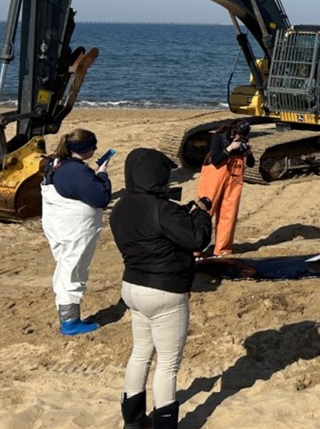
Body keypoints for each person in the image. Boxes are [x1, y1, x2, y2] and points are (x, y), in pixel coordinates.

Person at [110, 148, 212, 429]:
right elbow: (196, 240)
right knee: (167, 364)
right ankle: (165, 424)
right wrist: (202, 214)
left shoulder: (121, 207)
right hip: (164, 291)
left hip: (133, 286)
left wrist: (183, 213)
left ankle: (133, 421)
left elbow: (154, 231)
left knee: (140, 353)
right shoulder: (162, 209)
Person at [40, 128, 113, 336]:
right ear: (84, 149)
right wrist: (102, 174)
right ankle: (70, 322)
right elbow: (101, 197)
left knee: (65, 268)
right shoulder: (76, 172)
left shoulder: (55, 163)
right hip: (74, 229)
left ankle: (66, 315)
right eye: (93, 145)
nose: (97, 148)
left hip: (57, 225)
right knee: (74, 271)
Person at [196, 120, 254, 257]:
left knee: (229, 213)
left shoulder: (243, 141)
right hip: (214, 175)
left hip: (234, 177)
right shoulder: (218, 137)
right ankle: (195, 248)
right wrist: (230, 148)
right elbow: (216, 160)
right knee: (205, 209)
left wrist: (249, 152)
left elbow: (251, 164)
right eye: (237, 135)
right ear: (232, 131)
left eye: (241, 136)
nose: (239, 138)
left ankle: (222, 249)